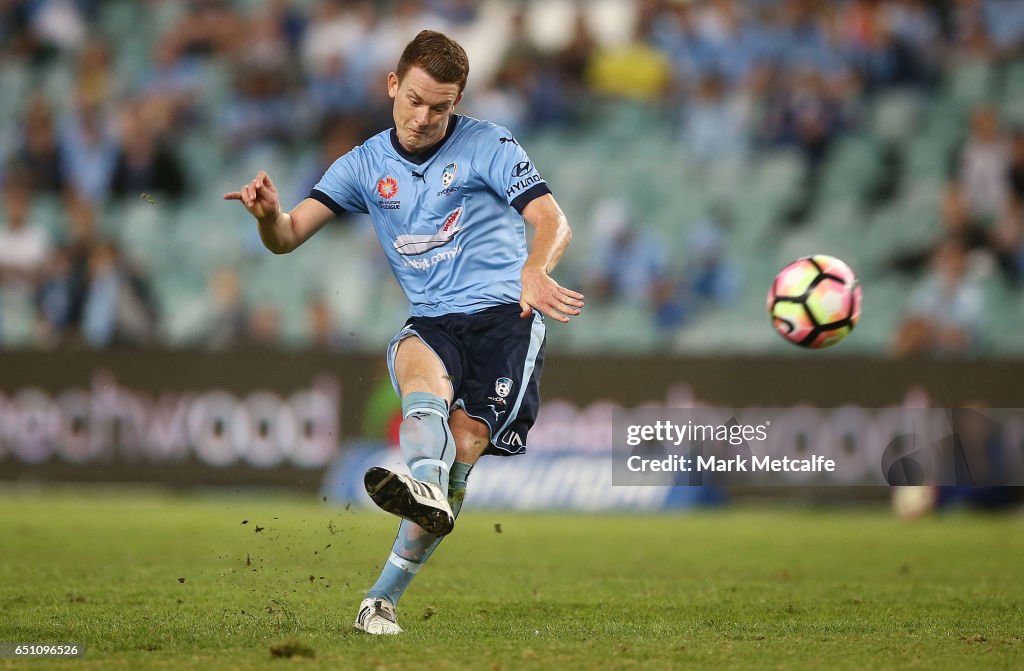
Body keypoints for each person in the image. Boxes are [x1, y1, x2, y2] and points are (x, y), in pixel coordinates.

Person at [224, 30, 583, 635]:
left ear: (458, 101)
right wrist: (267, 218)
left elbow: (551, 218)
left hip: (507, 318)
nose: (423, 117)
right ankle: (425, 489)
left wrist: (535, 267)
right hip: (434, 317)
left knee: (464, 446)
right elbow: (287, 237)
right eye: (414, 100)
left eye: (440, 107)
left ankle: (383, 593)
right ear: (392, 85)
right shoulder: (363, 164)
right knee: (419, 376)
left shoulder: (489, 144)